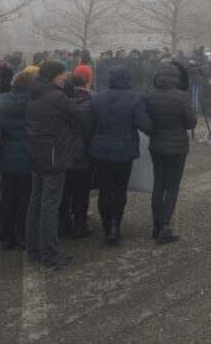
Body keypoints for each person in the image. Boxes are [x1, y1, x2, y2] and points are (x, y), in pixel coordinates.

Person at [25, 61, 84, 272]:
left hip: (36, 154)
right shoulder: (57, 97)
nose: (64, 77)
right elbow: (80, 116)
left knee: (36, 203)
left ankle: (33, 251)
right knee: (50, 206)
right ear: (53, 76)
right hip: (53, 156)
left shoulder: (33, 94)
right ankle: (50, 257)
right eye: (61, 74)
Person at [88, 64, 153, 245]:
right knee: (119, 190)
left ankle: (106, 226)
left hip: (101, 151)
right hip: (125, 152)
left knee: (104, 190)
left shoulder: (97, 98)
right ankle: (115, 226)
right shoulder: (135, 98)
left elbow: (88, 127)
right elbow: (145, 126)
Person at [144, 62, 196, 244]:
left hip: (157, 146)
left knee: (158, 185)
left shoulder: (149, 96)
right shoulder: (182, 97)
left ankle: (156, 225)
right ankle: (165, 227)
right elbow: (191, 123)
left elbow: (146, 121)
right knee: (172, 187)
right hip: (177, 148)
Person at [0, 71, 34, 251]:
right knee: (26, 199)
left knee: (7, 198)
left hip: (6, 156)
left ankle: (7, 237)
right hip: (27, 157)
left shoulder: (1, 102)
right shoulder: (33, 103)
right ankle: (24, 236)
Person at [59, 68, 96, 239]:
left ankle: (63, 223)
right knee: (82, 191)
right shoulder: (93, 102)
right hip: (84, 153)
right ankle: (80, 224)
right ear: (87, 83)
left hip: (65, 152)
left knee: (64, 191)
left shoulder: (61, 101)